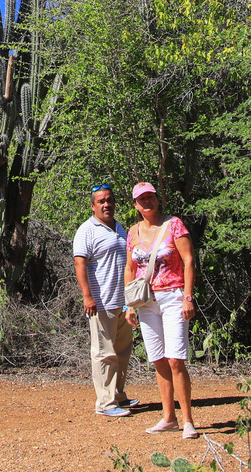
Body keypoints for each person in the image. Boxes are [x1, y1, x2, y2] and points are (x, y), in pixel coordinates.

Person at [124, 181, 198, 438]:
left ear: (157, 199)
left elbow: (188, 260)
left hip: (173, 296)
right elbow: (130, 269)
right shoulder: (133, 232)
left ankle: (187, 420)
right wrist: (128, 305)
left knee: (176, 359)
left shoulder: (174, 224)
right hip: (146, 301)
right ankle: (169, 417)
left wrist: (188, 297)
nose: (147, 202)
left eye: (150, 197)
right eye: (141, 199)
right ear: (135, 205)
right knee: (158, 360)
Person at [73, 183, 138, 416]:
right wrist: (87, 296)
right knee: (104, 353)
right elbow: (80, 263)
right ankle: (105, 403)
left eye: (109, 200)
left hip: (123, 302)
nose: (106, 204)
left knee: (122, 351)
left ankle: (118, 396)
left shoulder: (120, 229)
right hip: (101, 302)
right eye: (101, 201)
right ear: (93, 206)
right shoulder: (86, 230)